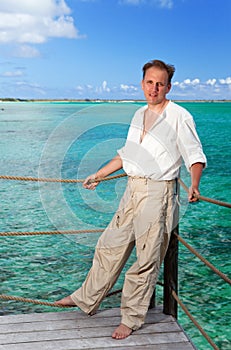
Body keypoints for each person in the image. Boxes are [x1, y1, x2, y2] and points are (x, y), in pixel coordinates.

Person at [56, 59, 207, 339]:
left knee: (146, 259)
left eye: (160, 83)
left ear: (169, 86)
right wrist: (99, 175)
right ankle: (86, 298)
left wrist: (194, 184)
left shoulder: (179, 115)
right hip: (132, 189)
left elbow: (194, 154)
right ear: (142, 84)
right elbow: (126, 154)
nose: (154, 88)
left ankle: (132, 318)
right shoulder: (139, 114)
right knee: (108, 245)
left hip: (158, 193)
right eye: (150, 82)